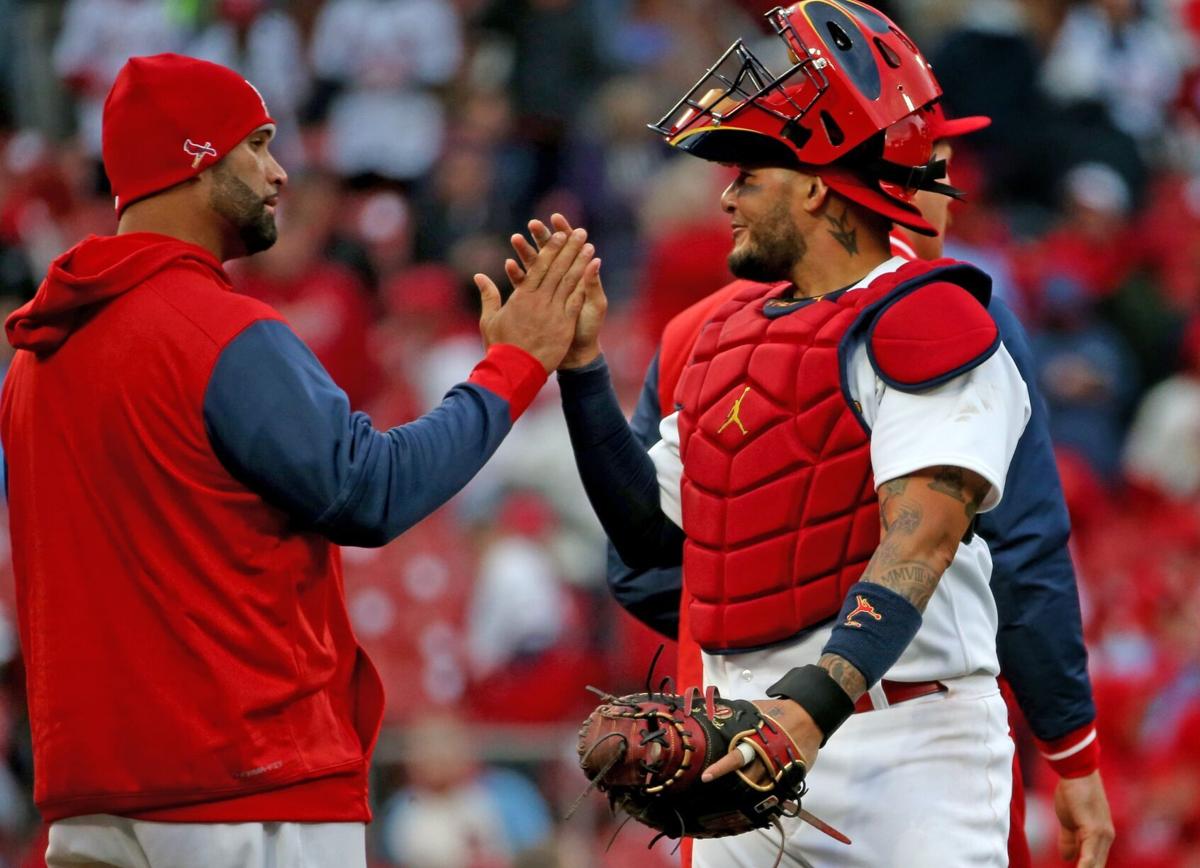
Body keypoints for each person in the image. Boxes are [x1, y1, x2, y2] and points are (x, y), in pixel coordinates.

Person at [0, 54, 595, 868]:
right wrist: (515, 366)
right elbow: (372, 493)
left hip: (90, 803)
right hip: (245, 791)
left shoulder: (35, 359)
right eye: (256, 144)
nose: (278, 171)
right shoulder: (215, 331)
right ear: (195, 155)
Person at [542, 4, 1057, 864]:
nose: (726, 193)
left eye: (749, 171)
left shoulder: (928, 318)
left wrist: (808, 710)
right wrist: (583, 372)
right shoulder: (721, 337)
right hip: (740, 733)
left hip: (906, 747)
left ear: (817, 184)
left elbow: (920, 542)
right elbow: (652, 533)